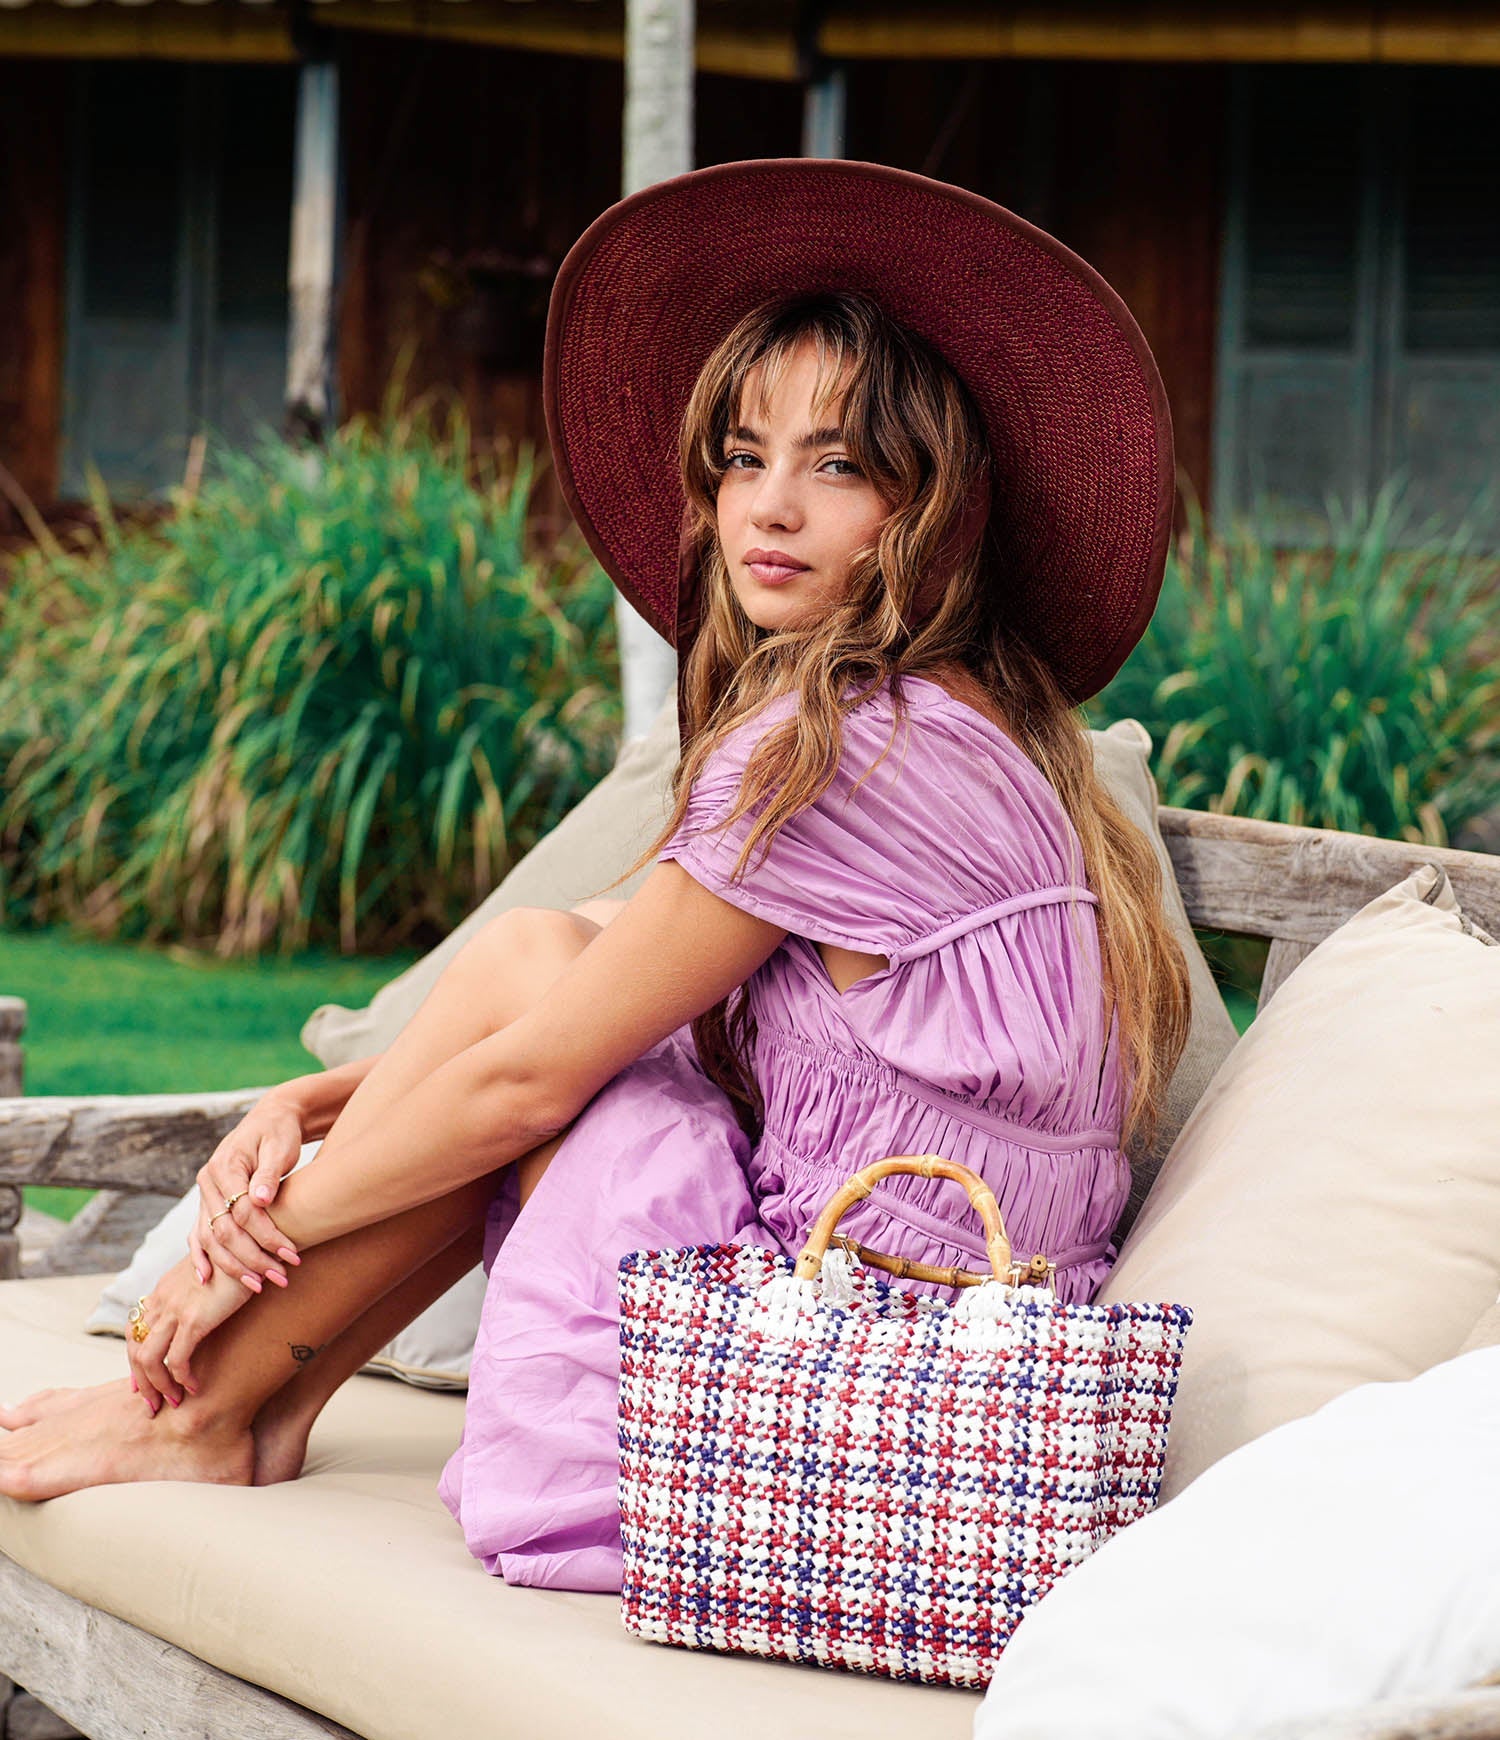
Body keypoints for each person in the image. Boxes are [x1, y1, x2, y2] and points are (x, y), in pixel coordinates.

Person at [0, 161, 1190, 1592]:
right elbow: (609, 972)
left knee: (525, 1004)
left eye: (839, 465)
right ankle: (261, 1407)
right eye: (745, 458)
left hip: (818, 1408)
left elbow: (525, 1077)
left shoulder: (846, 754)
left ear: (940, 504)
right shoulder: (975, 727)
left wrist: (231, 1247)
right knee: (537, 981)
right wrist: (307, 1102)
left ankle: (198, 1408)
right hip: (936, 1379)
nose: (771, 508)